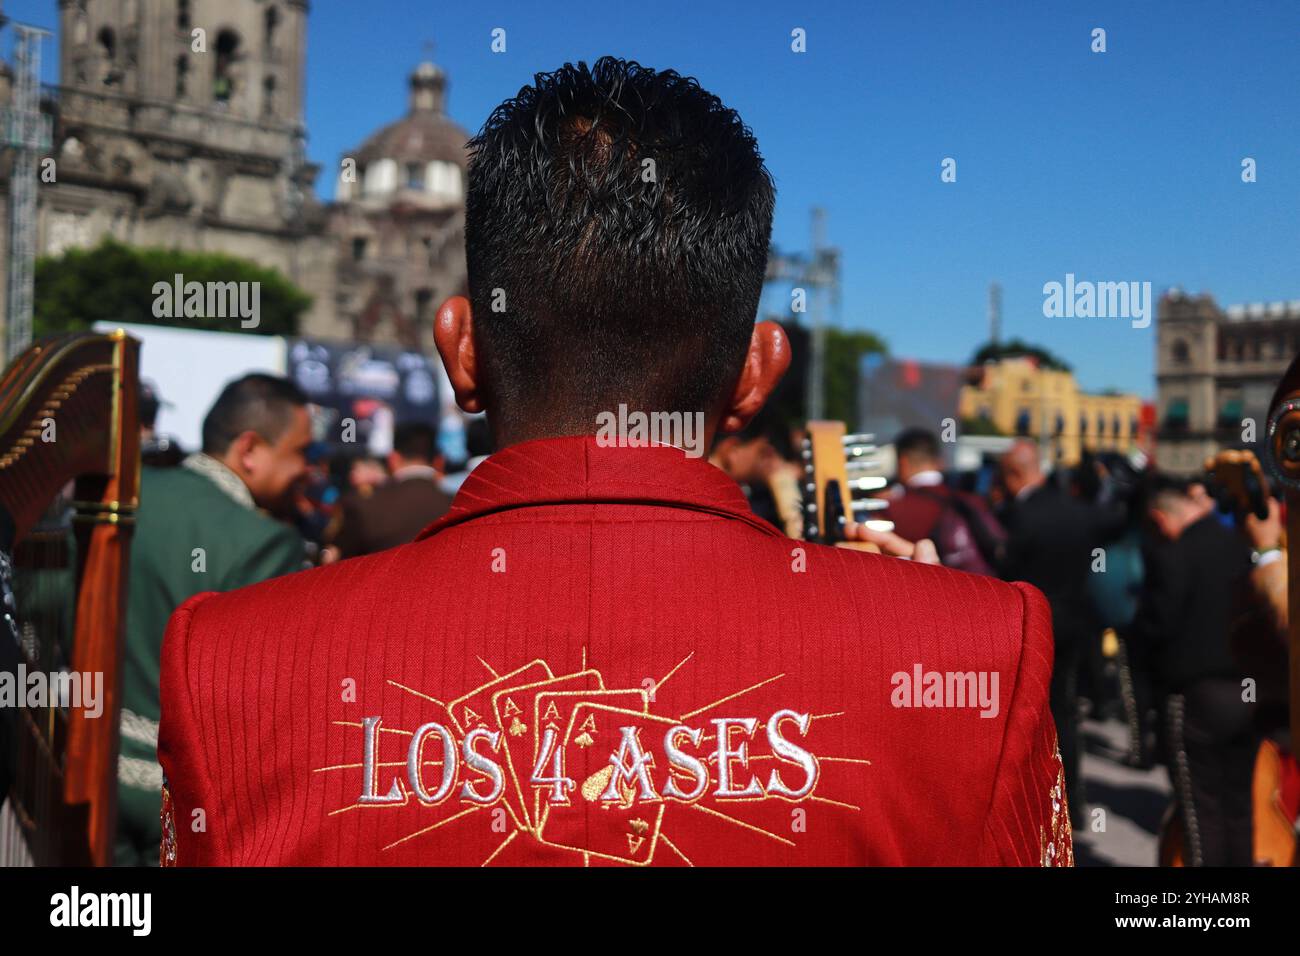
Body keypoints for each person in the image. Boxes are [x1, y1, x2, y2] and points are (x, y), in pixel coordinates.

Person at [158, 58, 1069, 867]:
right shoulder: (980, 660)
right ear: (758, 373)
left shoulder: (230, 665)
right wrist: (910, 624)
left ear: (461, 352)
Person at [116, 374, 310, 865]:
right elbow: (267, 707)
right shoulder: (262, 542)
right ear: (250, 450)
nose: (307, 470)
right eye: (300, 452)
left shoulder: (125, 495)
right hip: (182, 808)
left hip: (80, 783)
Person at [1134, 475, 1257, 866]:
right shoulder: (1240, 545)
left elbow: (1158, 625)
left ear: (1161, 517)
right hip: (1248, 691)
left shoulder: (1176, 554)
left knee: (1201, 810)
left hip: (1197, 694)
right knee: (1239, 804)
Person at [997, 440, 1099, 827]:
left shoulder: (1019, 517)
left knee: (1031, 714)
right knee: (1066, 712)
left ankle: (1037, 803)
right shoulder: (1075, 510)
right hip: (1074, 622)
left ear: (1014, 473)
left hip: (1033, 628)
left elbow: (1005, 573)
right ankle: (1073, 801)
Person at [884, 428, 1005, 575]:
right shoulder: (974, 501)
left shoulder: (893, 507)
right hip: (988, 588)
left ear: (902, 463)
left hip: (938, 592)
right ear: (939, 462)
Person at [330, 421, 454, 558]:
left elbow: (338, 561)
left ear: (393, 459)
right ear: (439, 462)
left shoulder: (364, 505)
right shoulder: (457, 505)